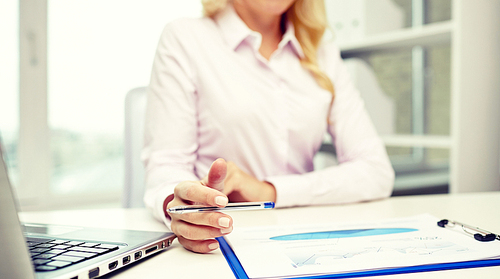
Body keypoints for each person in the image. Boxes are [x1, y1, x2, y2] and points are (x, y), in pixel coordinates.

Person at [143, 0, 395, 253]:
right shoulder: (185, 38)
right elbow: (167, 167)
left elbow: (376, 171)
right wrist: (183, 208)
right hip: (220, 238)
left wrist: (269, 191)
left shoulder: (322, 53)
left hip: (304, 237)